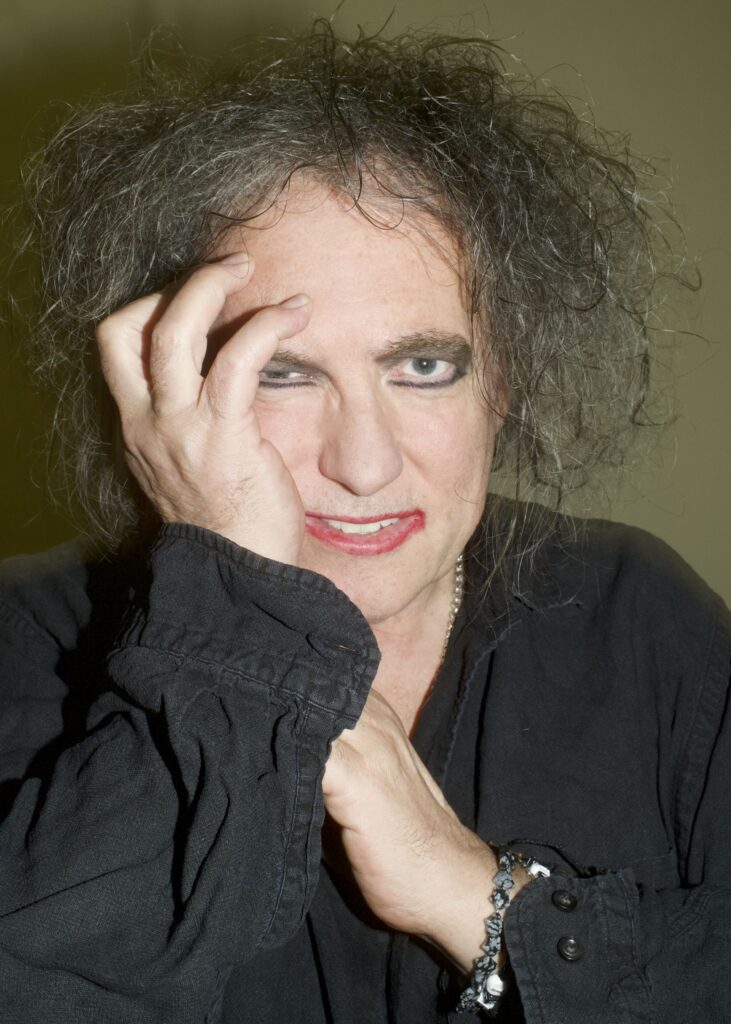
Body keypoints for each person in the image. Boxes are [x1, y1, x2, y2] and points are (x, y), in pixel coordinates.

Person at [1, 20, 729, 1024]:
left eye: (422, 366)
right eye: (280, 372)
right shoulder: (31, 640)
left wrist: (477, 897)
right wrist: (234, 627)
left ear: (503, 379)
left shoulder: (635, 614)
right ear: (166, 386)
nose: (364, 462)